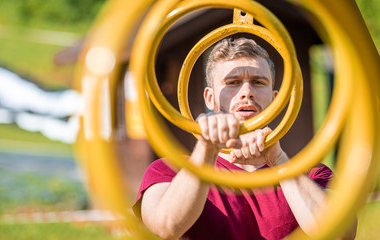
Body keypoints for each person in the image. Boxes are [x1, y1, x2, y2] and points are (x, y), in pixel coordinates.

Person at [132, 37, 355, 240]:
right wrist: (207, 148)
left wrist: (278, 160)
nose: (246, 92)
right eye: (233, 82)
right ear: (210, 98)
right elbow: (163, 229)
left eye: (258, 82)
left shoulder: (312, 174)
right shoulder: (170, 169)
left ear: (275, 99)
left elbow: (340, 234)